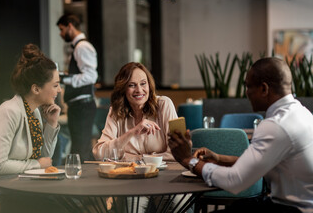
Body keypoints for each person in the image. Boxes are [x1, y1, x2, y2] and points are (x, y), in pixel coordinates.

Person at [169, 57, 313, 213]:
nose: (246, 93)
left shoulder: (275, 126)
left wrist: (189, 160)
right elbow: (258, 163)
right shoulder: (302, 114)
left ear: (264, 89)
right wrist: (218, 158)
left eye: (248, 86)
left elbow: (235, 181)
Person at [0, 44, 62, 213]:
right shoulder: (9, 111)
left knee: (59, 206)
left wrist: (51, 124)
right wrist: (36, 164)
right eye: (55, 85)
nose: (59, 90)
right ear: (36, 88)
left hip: (11, 192)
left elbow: (45, 159)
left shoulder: (35, 113)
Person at [93, 62, 177, 162]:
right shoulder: (116, 111)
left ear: (149, 85)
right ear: (123, 89)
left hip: (164, 175)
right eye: (132, 85)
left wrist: (138, 159)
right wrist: (132, 132)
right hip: (128, 175)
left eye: (143, 83)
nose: (139, 90)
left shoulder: (164, 104)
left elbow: (179, 152)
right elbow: (99, 153)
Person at [56, 14, 98, 162]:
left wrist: (66, 79)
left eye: (62, 29)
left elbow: (91, 76)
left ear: (70, 26)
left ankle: (82, 182)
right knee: (80, 147)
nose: (61, 34)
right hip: (80, 105)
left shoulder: (82, 47)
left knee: (80, 148)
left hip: (83, 105)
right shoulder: (78, 47)